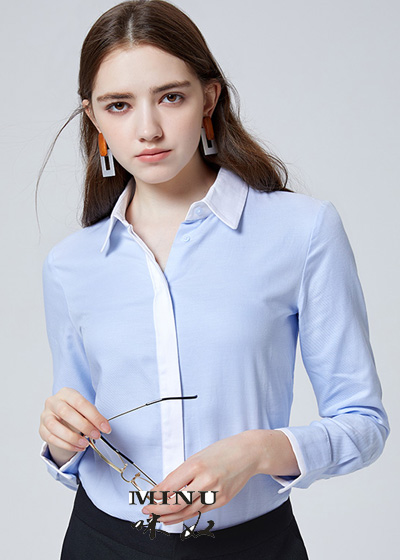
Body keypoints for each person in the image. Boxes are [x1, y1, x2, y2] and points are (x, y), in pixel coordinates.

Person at [38, 1, 390, 558]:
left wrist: (257, 451)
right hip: (101, 541)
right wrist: (60, 440)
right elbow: (76, 441)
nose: (148, 129)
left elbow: (363, 423)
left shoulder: (301, 231)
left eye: (170, 97)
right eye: (119, 105)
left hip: (253, 544)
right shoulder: (70, 264)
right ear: (94, 118)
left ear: (209, 98)